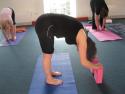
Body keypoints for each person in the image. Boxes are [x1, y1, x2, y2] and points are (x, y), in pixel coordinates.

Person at [35, 13, 103, 85]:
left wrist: (93, 59)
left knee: (50, 51)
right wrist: (96, 66)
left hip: (47, 23)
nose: (79, 51)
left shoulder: (81, 33)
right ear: (87, 48)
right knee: (47, 54)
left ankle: (50, 72)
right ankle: (49, 79)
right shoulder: (82, 39)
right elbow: (84, 62)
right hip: (44, 25)